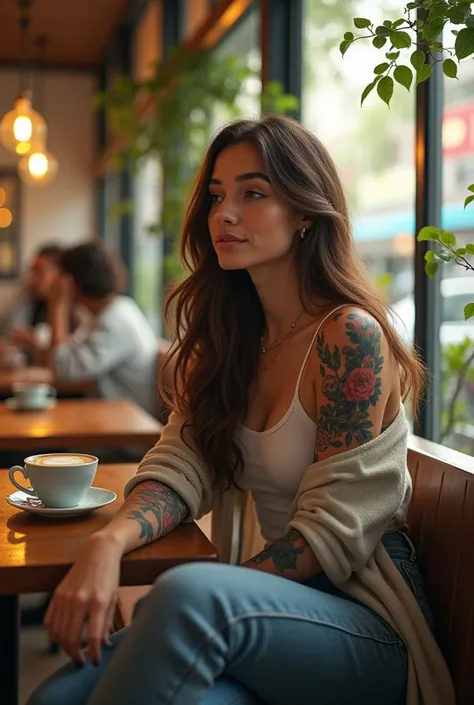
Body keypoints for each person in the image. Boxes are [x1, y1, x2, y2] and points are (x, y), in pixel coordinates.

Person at [28, 115, 455, 705]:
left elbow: (329, 537)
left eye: (253, 194)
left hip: (363, 624)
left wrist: (202, 592)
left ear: (306, 212)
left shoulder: (347, 335)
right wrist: (107, 544)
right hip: (262, 620)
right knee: (60, 697)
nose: (225, 213)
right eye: (217, 196)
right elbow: (182, 465)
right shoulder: (232, 342)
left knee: (183, 597)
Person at [43, 240, 158, 415]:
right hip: (108, 416)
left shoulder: (116, 321)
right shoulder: (108, 314)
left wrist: (58, 307)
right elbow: (64, 358)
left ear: (71, 282)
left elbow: (62, 370)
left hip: (125, 429)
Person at [0, 245, 69, 365]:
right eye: (31, 271)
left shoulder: (74, 309)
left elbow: (65, 361)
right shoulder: (32, 300)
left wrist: (35, 340)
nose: (32, 279)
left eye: (39, 272)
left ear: (59, 273)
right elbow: (8, 330)